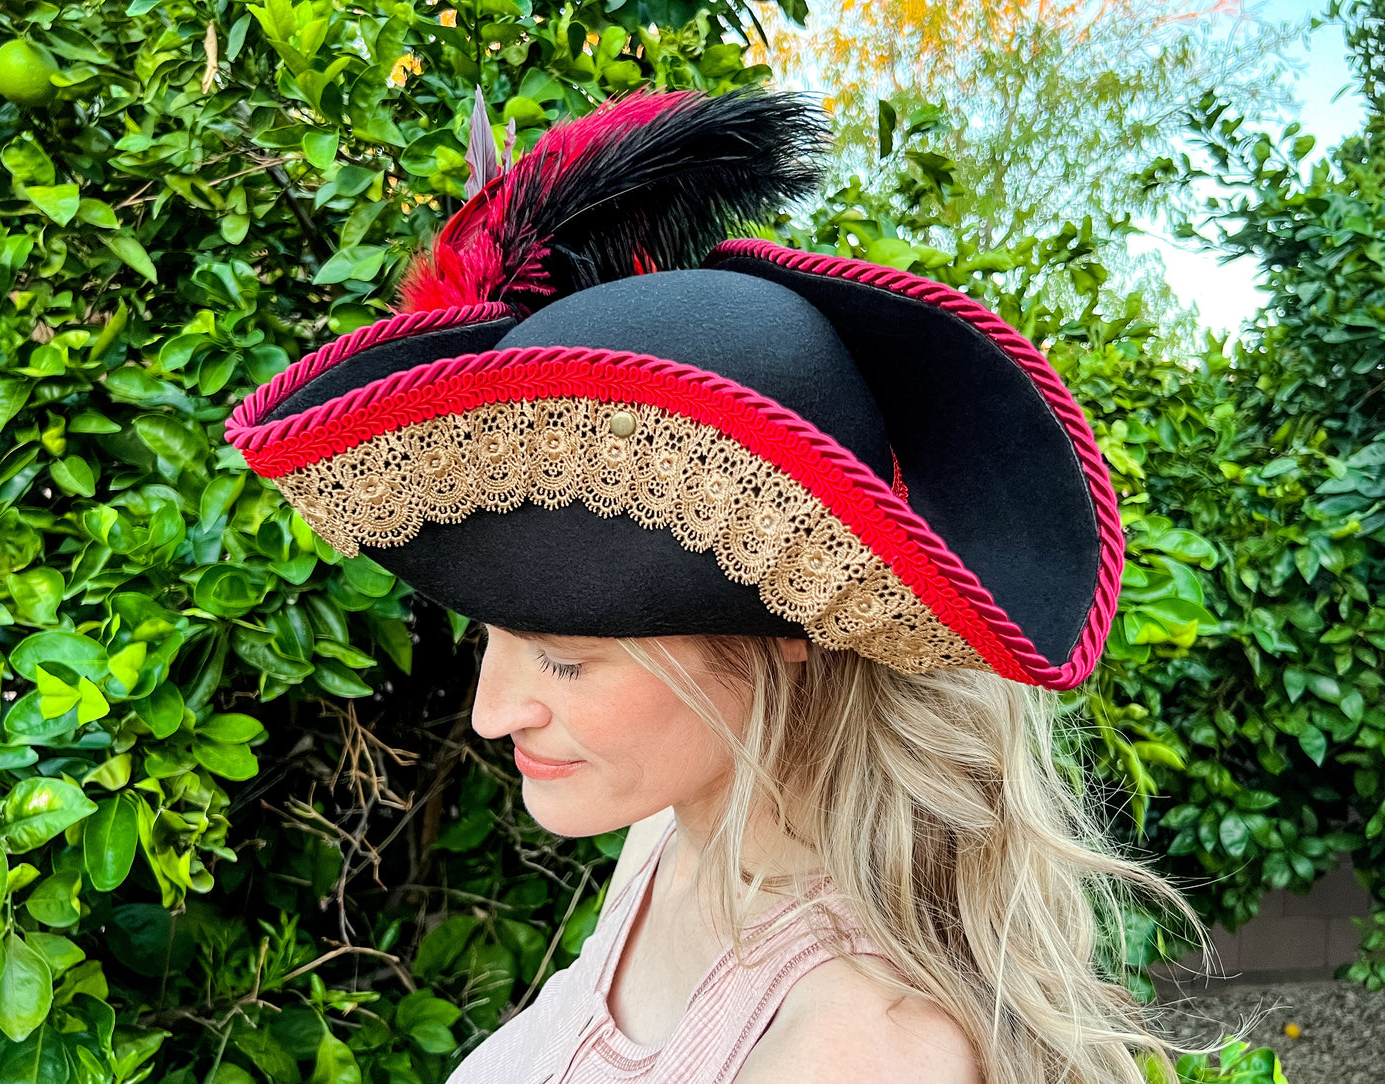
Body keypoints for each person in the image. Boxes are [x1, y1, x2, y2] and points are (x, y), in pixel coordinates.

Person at [227, 90, 1198, 1083]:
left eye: (565, 657)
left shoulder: (850, 1052)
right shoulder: (677, 840)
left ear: (786, 624)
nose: (490, 713)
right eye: (493, 637)